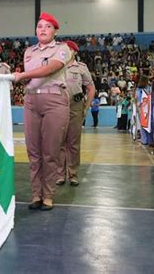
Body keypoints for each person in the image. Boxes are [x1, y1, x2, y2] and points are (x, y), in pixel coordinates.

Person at [13, 12, 71, 211]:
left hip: (55, 99)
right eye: (39, 26)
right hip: (31, 100)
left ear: (55, 30)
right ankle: (36, 194)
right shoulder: (29, 51)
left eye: (47, 26)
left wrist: (22, 75)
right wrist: (23, 77)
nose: (42, 30)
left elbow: (50, 69)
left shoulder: (63, 49)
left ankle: (48, 195)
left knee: (50, 151)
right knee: (33, 152)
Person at [56, 40, 95, 187]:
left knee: (73, 142)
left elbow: (91, 88)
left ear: (74, 52)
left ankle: (73, 174)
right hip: (58, 106)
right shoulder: (56, 66)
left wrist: (86, 107)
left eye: (68, 49)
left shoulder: (81, 68)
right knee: (59, 142)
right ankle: (60, 174)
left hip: (75, 106)